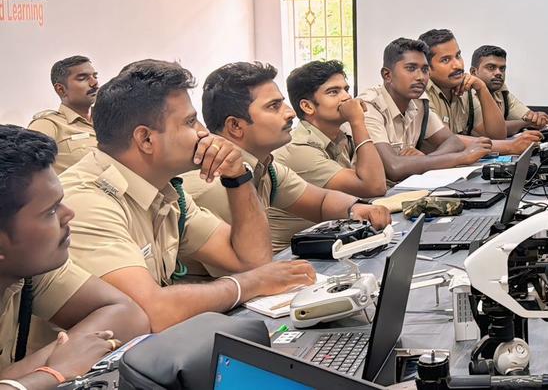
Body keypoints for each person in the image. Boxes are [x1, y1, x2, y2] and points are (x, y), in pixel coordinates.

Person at [59, 60, 315, 332]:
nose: (204, 132)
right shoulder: (86, 201)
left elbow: (252, 260)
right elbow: (150, 311)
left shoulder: (166, 192)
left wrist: (237, 177)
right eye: (191, 122)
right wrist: (249, 284)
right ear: (145, 139)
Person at [180, 62, 391, 262]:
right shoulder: (216, 182)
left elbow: (320, 202)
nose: (290, 113)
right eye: (274, 106)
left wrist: (356, 208)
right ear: (235, 126)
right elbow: (250, 268)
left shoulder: (265, 168)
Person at [0, 125, 148, 389]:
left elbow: (128, 315)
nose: (69, 214)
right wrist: (54, 371)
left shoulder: (32, 270)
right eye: (50, 211)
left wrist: (18, 379)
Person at [358, 38, 489, 184]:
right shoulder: (369, 106)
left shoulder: (419, 101)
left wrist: (423, 160)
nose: (421, 77)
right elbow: (394, 168)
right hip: (368, 198)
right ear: (387, 75)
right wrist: (462, 157)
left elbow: (454, 141)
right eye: (411, 68)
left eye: (425, 69)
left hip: (405, 188)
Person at [273, 60, 388, 197]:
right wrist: (357, 122)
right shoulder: (299, 149)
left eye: (346, 90)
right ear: (308, 107)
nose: (347, 97)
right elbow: (374, 187)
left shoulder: (341, 135)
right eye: (333, 92)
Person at [418, 30, 540, 155]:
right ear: (427, 67)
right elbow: (447, 140)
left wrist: (482, 89)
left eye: (458, 55)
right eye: (445, 60)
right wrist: (510, 146)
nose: (458, 65)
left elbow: (497, 135)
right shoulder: (420, 93)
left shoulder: (464, 87)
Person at [28, 56, 99, 174]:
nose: (94, 83)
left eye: (95, 76)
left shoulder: (108, 120)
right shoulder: (49, 124)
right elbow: (25, 167)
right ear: (61, 89)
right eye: (83, 78)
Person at [470, 45, 548, 136]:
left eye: (502, 68)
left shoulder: (501, 92)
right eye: (491, 67)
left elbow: (529, 116)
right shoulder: (468, 93)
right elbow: (489, 131)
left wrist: (537, 117)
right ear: (473, 72)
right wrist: (526, 123)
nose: (498, 73)